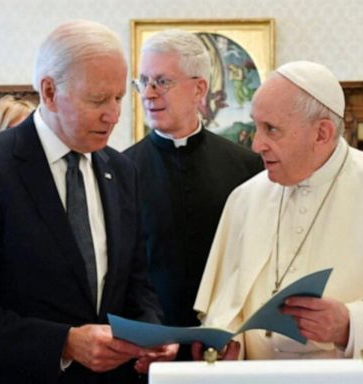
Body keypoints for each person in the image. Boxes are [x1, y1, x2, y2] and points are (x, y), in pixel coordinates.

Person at [0, 20, 177, 384]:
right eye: (97, 99)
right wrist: (63, 343)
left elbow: (138, 284)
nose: (114, 114)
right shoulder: (0, 168)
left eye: (119, 97)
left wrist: (151, 335)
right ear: (49, 91)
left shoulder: (122, 170)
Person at [194, 60, 363, 360]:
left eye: (271, 129)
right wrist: (227, 343)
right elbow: (224, 308)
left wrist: (351, 325)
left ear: (321, 133)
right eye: (256, 126)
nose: (256, 145)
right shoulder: (245, 198)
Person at [123, 28, 263, 359]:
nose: (149, 94)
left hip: (226, 347)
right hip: (147, 350)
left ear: (199, 88)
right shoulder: (121, 171)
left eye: (162, 81)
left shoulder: (247, 168)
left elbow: (251, 264)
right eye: (143, 81)